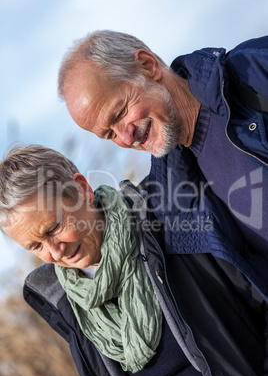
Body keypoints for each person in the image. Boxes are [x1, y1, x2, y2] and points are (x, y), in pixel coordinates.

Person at [1, 144, 268, 376]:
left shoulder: (169, 220)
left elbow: (257, 297)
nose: (55, 252)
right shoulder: (65, 304)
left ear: (82, 189)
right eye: (36, 245)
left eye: (55, 227)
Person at [57, 30, 268, 261]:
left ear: (148, 66)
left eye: (119, 113)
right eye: (109, 134)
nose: (126, 139)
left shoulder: (256, 71)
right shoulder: (171, 201)